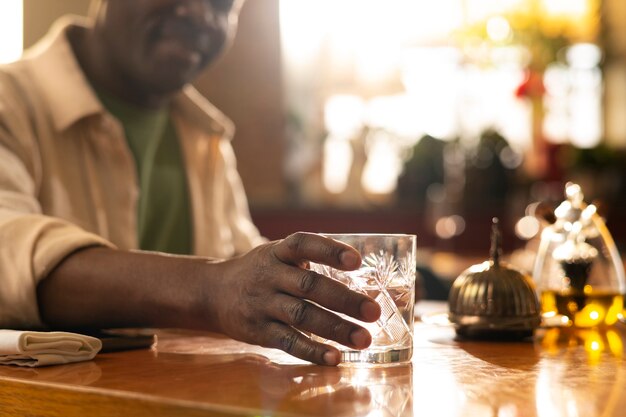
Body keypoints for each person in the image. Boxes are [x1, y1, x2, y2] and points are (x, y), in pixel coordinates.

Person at [0, 0, 381, 366]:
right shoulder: (11, 102)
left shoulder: (205, 137)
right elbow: (7, 254)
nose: (199, 13)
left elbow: (242, 267)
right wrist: (211, 291)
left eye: (221, 3)